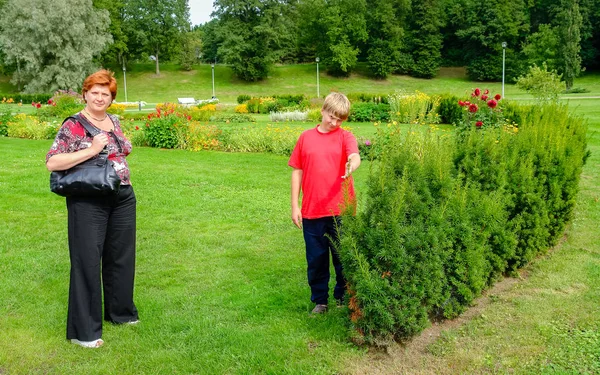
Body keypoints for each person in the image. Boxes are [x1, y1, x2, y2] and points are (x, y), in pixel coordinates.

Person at [46, 69, 139, 348]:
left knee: (121, 257)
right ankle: (83, 332)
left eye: (106, 94)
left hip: (122, 195)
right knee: (87, 261)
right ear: (85, 94)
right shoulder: (74, 125)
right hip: (88, 199)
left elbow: (121, 150)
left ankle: (120, 314)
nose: (100, 97)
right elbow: (53, 162)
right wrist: (90, 149)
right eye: (95, 92)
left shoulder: (114, 120)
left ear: (111, 99)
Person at [288, 92, 361, 314]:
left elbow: (355, 156)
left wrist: (351, 165)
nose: (334, 122)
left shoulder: (345, 137)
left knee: (342, 257)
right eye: (331, 116)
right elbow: (297, 171)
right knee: (317, 260)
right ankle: (320, 301)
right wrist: (294, 206)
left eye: (340, 119)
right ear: (322, 111)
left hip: (341, 209)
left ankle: (342, 296)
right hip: (312, 211)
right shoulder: (305, 138)